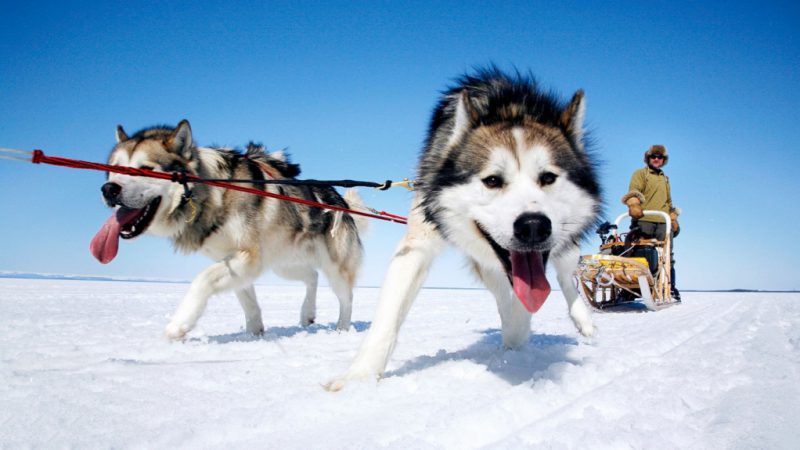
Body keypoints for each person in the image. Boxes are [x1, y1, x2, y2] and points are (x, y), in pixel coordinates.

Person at [621, 144, 681, 301]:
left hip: (662, 222)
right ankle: (630, 289)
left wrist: (673, 217)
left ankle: (670, 288)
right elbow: (633, 191)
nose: (656, 159)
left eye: (659, 157)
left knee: (667, 256)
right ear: (648, 158)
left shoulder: (665, 179)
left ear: (663, 160)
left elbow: (668, 201)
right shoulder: (641, 174)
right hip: (644, 220)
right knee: (637, 254)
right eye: (653, 156)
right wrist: (633, 204)